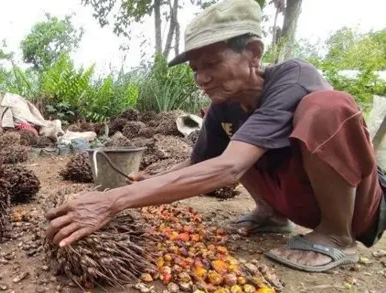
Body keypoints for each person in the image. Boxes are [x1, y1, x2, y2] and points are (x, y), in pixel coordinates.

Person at [45, 0, 386, 272]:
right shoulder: (225, 104)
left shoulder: (294, 79)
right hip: (293, 200)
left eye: (211, 64)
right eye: (196, 70)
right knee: (237, 132)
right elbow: (201, 163)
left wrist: (113, 201)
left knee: (327, 107)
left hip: (360, 211)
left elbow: (228, 170)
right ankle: (270, 215)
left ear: (253, 51)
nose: (201, 79)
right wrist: (146, 180)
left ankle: (337, 237)